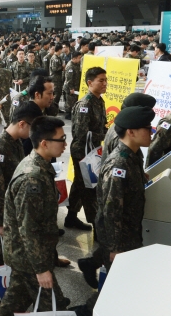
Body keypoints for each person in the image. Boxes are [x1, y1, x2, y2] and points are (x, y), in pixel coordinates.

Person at [71, 106, 155, 316]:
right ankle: (86, 311)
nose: (151, 132)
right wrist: (114, 248)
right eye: (147, 128)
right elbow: (110, 211)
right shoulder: (119, 164)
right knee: (119, 279)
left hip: (129, 230)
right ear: (131, 132)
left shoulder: (132, 156)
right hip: (119, 235)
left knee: (121, 278)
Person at [0, 116, 70, 316]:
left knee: (14, 302)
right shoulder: (32, 179)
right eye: (61, 139)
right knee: (54, 307)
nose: (65, 144)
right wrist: (41, 269)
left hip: (27, 254)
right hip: (29, 257)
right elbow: (28, 229)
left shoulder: (39, 165)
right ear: (44, 143)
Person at [0, 102, 43, 314]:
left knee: (5, 255)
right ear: (22, 123)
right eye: (33, 128)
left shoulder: (16, 142)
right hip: (1, 215)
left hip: (12, 212)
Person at [65, 67, 108, 231]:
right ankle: (97, 227)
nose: (105, 83)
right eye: (101, 80)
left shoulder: (99, 100)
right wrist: (106, 135)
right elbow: (82, 134)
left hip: (93, 150)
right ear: (90, 83)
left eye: (105, 80)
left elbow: (99, 127)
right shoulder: (85, 104)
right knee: (90, 189)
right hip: (83, 152)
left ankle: (71, 217)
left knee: (79, 185)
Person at [62, 51, 82, 120]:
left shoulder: (76, 64)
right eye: (79, 58)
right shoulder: (70, 66)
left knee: (74, 101)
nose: (80, 59)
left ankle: (72, 113)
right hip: (70, 87)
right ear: (74, 58)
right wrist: (71, 88)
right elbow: (69, 79)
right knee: (69, 102)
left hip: (75, 86)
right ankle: (68, 114)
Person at [48, 44, 64, 116]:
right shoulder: (55, 58)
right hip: (55, 78)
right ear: (60, 49)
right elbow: (54, 69)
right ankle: (52, 108)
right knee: (56, 94)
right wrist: (62, 67)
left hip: (58, 78)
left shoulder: (58, 57)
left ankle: (55, 107)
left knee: (58, 93)